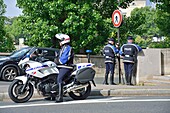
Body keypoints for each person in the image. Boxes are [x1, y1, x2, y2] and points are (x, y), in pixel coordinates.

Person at [54, 33, 74, 102]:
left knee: (59, 78)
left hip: (66, 67)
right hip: (60, 66)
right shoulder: (62, 48)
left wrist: (57, 61)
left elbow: (63, 60)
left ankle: (60, 97)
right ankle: (52, 95)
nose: (59, 42)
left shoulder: (68, 48)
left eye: (60, 40)